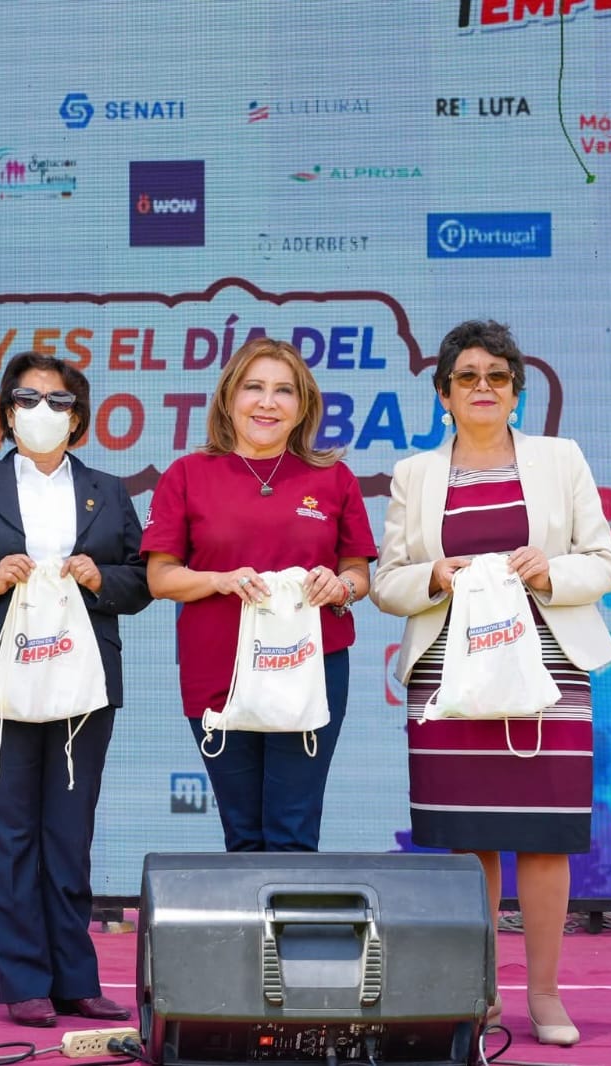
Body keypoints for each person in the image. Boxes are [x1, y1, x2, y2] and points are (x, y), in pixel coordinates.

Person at [370, 320, 611, 1048]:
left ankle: (544, 995)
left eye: (498, 376)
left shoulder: (560, 458)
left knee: (544, 839)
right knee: (467, 841)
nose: (483, 387)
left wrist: (551, 570)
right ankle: (477, 994)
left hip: (549, 676)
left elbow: (603, 563)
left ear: (516, 392)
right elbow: (387, 582)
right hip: (448, 679)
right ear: (443, 393)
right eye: (467, 376)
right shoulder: (414, 474)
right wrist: (433, 575)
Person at [0, 353, 151, 1028]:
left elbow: (143, 578)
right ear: (6, 412)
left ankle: (76, 979)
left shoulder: (108, 490)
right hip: (0, 679)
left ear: (78, 420)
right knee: (10, 831)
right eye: (27, 399)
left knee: (69, 834)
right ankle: (23, 981)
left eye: (59, 401)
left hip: (82, 683)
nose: (42, 411)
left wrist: (101, 577)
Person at [142, 337, 375, 853]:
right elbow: (160, 578)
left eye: (284, 391)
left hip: (309, 668)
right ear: (229, 397)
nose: (268, 403)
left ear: (303, 406)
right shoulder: (187, 475)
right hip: (218, 669)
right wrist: (220, 580)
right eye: (254, 388)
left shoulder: (333, 478)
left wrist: (341, 586)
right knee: (243, 834)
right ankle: (254, 912)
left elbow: (358, 572)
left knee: (293, 830)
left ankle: (290, 910)